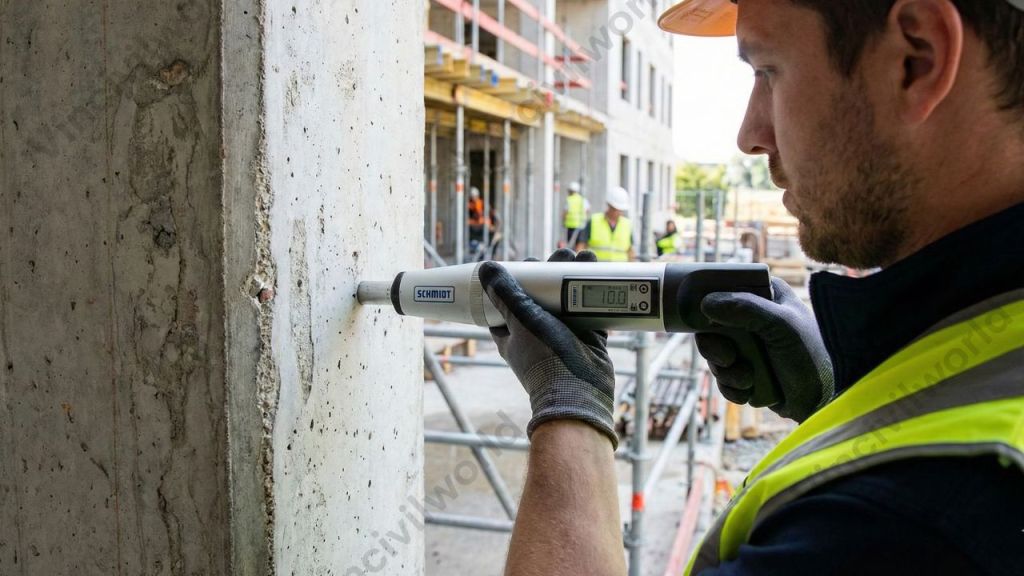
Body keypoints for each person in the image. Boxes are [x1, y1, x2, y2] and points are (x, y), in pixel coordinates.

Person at [480, 1, 1024, 574]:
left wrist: (570, 410)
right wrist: (841, 400)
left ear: (918, 58)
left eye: (767, 70)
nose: (749, 135)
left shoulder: (905, 521)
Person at [574, 187, 636, 262]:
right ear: (609, 205)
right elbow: (581, 246)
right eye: (615, 209)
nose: (619, 212)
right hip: (597, 268)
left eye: (621, 210)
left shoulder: (627, 224)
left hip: (621, 268)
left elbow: (630, 252)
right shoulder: (594, 221)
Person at [562, 181, 591, 247]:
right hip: (581, 225)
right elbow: (588, 209)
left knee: (570, 245)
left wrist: (563, 221)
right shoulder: (582, 199)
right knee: (579, 244)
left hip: (571, 226)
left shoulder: (569, 199)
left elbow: (565, 212)